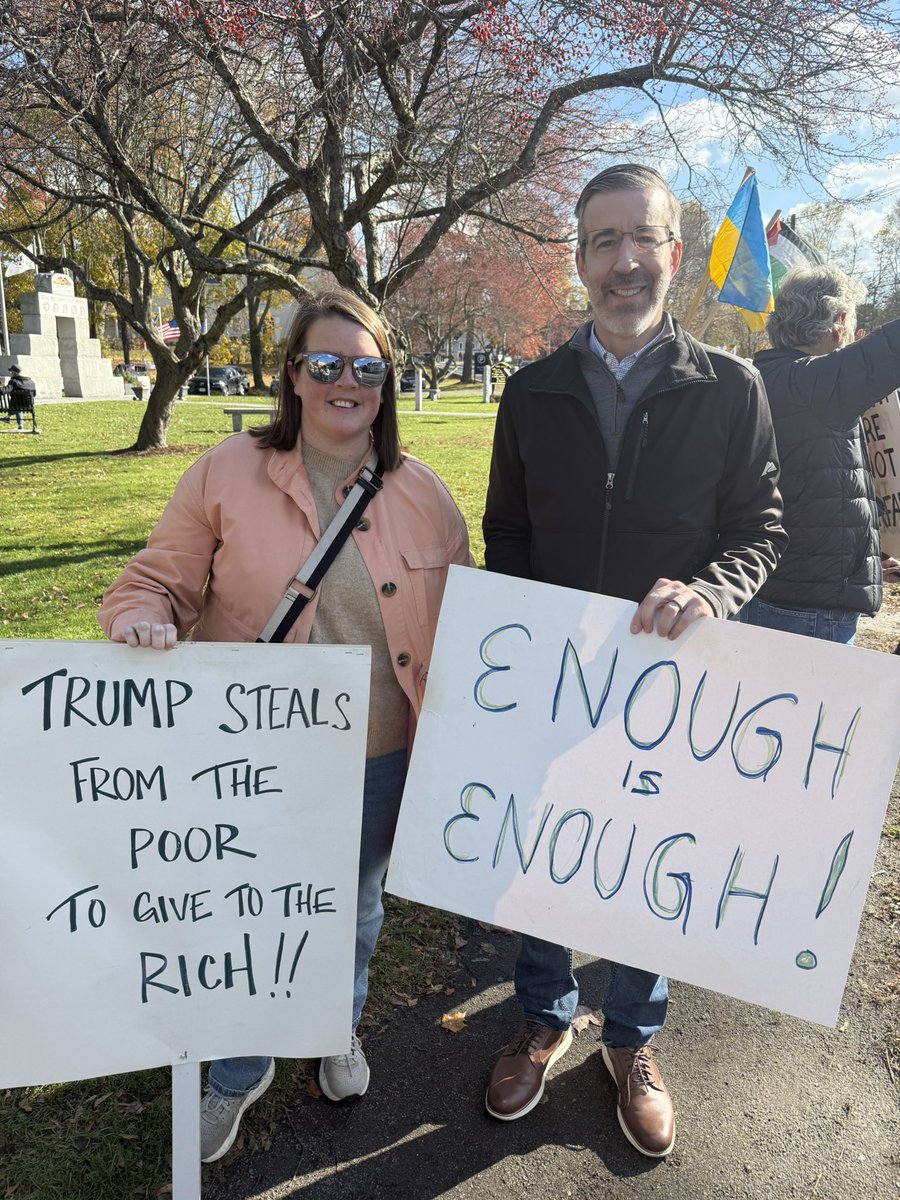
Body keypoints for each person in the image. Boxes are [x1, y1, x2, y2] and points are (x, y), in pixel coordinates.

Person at [98, 288, 471, 1163]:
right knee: (247, 914)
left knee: (354, 911)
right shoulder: (226, 471)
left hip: (380, 757)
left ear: (387, 382)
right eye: (327, 363)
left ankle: (332, 1024)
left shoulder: (424, 494)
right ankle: (238, 1067)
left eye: (367, 368)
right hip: (252, 758)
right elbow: (154, 580)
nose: (348, 382)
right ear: (294, 376)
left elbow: (471, 628)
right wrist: (143, 619)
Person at [481, 163, 787, 1158]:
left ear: (676, 252)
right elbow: (508, 528)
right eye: (604, 240)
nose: (625, 261)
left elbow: (758, 529)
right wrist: (526, 631)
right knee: (547, 848)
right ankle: (542, 1016)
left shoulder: (732, 387)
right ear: (579, 260)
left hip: (672, 689)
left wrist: (713, 593)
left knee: (653, 859)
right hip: (558, 677)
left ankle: (631, 1036)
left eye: (643, 237)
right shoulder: (531, 392)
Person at [741, 265, 900, 644]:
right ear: (839, 322)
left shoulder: (759, 378)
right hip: (809, 611)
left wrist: (866, 560)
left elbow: (812, 494)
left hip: (768, 588)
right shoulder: (815, 383)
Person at [5, 364, 35, 431]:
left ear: (13, 373)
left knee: (17, 404)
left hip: (16, 406)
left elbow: (5, 391)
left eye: (11, 372)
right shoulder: (31, 382)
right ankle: (16, 423)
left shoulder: (13, 382)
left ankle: (7, 417)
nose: (10, 374)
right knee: (19, 403)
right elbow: (34, 394)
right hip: (29, 406)